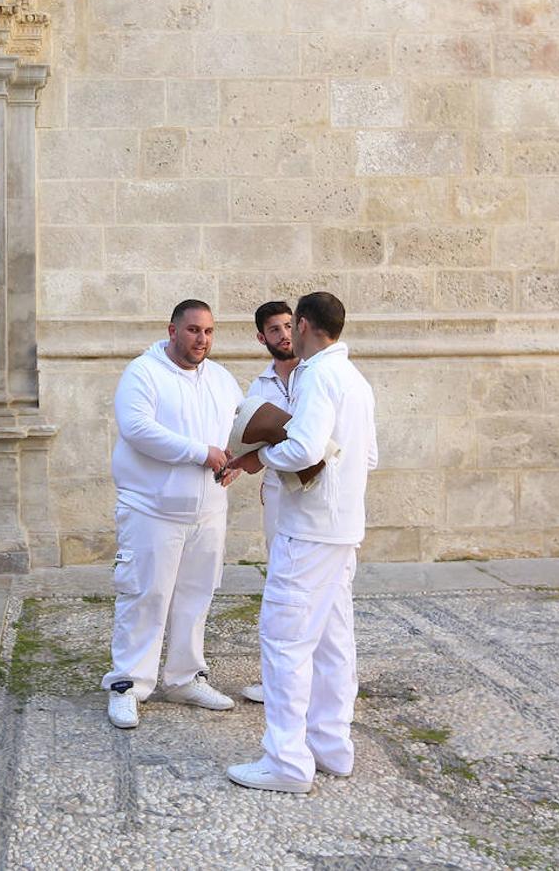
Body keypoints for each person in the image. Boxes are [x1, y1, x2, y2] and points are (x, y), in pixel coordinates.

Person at [225, 292, 377, 793]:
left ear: (307, 324)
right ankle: (332, 748)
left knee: (285, 640)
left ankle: (287, 764)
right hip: (342, 529)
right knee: (334, 642)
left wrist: (262, 455)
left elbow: (307, 447)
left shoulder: (316, 374)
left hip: (308, 530)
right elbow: (368, 458)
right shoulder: (355, 380)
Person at [103, 299, 244, 730]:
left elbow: (240, 428)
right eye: (193, 330)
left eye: (208, 331)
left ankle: (185, 677)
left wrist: (237, 460)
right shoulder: (142, 373)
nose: (202, 339)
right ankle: (128, 685)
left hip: (208, 513)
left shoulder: (221, 379)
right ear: (172, 330)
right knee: (145, 596)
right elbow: (138, 429)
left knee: (196, 596)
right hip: (152, 510)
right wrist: (201, 453)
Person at [239, 301, 300, 705]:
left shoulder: (316, 375)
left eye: (289, 325)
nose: (284, 335)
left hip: (318, 492)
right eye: (274, 330)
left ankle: (308, 681)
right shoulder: (259, 388)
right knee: (279, 582)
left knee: (310, 585)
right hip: (279, 491)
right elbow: (249, 442)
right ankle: (277, 680)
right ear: (262, 338)